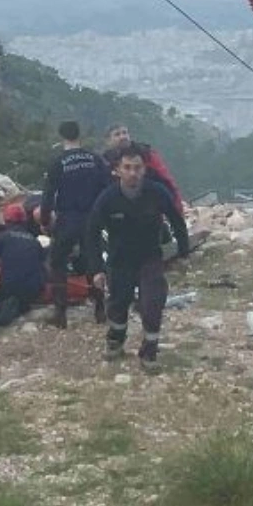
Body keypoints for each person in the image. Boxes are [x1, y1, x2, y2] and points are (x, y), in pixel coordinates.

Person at [86, 143, 191, 373]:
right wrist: (96, 269)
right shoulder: (107, 198)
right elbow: (91, 233)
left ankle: (149, 351)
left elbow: (177, 221)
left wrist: (184, 252)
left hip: (150, 258)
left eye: (137, 167)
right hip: (119, 261)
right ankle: (115, 340)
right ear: (118, 170)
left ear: (144, 169)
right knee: (118, 304)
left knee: (153, 304)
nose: (133, 172)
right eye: (127, 167)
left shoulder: (157, 193)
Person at [40, 121, 113, 329]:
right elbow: (108, 188)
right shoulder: (94, 159)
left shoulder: (58, 163)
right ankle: (100, 308)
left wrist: (45, 221)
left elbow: (47, 197)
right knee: (94, 261)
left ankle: (60, 313)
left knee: (58, 263)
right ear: (79, 135)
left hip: (67, 218)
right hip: (92, 217)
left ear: (62, 136)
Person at [0, 203, 47, 326]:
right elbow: (46, 268)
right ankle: (22, 306)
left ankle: (5, 307)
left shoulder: (2, 238)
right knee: (21, 296)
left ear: (7, 221)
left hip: (11, 287)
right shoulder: (34, 241)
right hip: (34, 289)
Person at [102, 123, 183, 209]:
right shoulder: (105, 161)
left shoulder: (146, 154)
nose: (123, 137)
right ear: (108, 141)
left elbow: (166, 179)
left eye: (125, 133)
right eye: (117, 134)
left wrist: (177, 205)